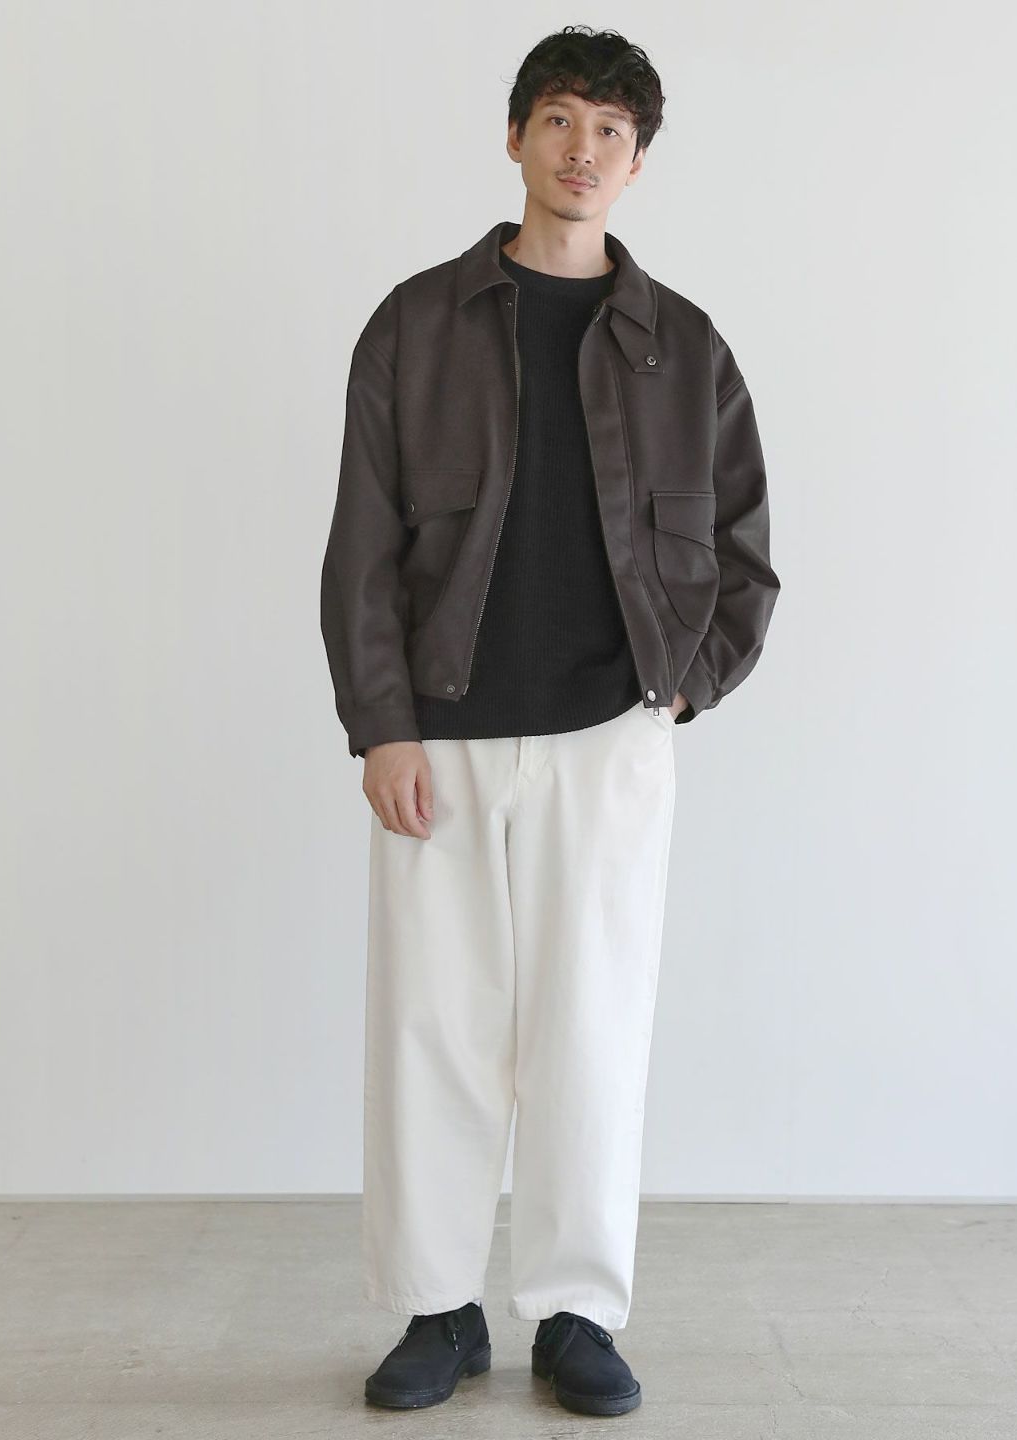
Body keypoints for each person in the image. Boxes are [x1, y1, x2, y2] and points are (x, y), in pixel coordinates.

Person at [319, 24, 780, 1417]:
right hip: (442, 734)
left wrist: (685, 684)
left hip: (610, 734)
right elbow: (362, 548)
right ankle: (438, 1309)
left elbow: (745, 552)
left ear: (638, 164)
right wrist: (381, 726)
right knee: (434, 1032)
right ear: (516, 136)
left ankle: (577, 1314)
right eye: (562, 119)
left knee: (593, 1031)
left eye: (612, 131)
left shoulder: (684, 346)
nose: (584, 149)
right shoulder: (417, 325)